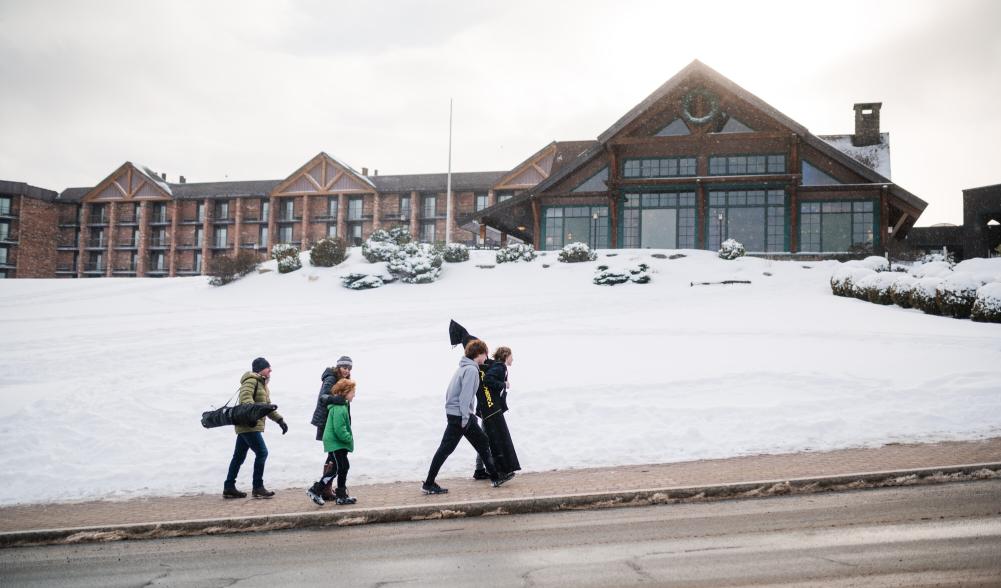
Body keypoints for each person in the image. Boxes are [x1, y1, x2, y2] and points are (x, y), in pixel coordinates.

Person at [422, 339, 514, 494]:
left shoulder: (462, 368)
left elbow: (449, 392)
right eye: (485, 354)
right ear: (479, 354)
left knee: (479, 443)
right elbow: (465, 397)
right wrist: (465, 418)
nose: (486, 358)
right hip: (461, 417)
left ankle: (494, 476)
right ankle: (429, 483)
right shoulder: (471, 370)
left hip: (456, 414)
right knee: (448, 449)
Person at [224, 357, 288, 499]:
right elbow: (246, 400)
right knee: (262, 452)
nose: (270, 370)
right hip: (249, 425)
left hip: (249, 425)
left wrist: (280, 420)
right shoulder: (251, 381)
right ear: (260, 369)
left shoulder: (263, 385)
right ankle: (258, 487)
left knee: (238, 457)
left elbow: (267, 408)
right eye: (268, 367)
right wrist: (252, 415)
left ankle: (229, 487)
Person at [307, 379, 357, 506]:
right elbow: (339, 428)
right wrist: (348, 438)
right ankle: (315, 490)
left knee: (343, 467)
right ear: (345, 393)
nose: (354, 395)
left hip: (337, 443)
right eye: (352, 392)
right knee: (337, 469)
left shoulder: (342, 405)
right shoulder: (340, 408)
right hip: (336, 443)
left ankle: (341, 496)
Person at [473, 346, 521, 480]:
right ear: (506, 355)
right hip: (490, 410)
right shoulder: (500, 367)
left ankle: (480, 469)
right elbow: (488, 380)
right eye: (511, 355)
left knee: (485, 439)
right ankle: (484, 469)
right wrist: (504, 384)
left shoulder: (498, 366)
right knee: (487, 440)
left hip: (488, 409)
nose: (513, 359)